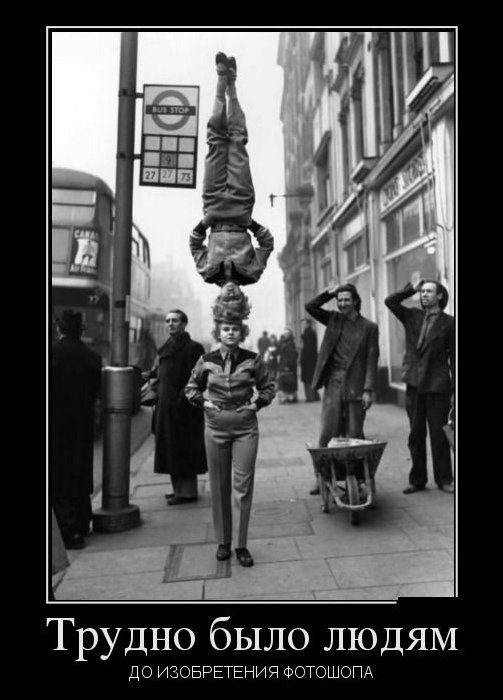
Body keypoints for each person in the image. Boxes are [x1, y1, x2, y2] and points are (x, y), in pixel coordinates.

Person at [185, 308, 275, 567]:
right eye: (226, 329)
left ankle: (241, 545)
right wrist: (205, 404)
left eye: (235, 329)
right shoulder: (206, 360)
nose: (231, 333)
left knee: (243, 487)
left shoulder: (253, 359)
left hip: (245, 428)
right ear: (218, 333)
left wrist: (255, 405)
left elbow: (268, 387)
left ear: (242, 332)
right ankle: (223, 542)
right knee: (219, 485)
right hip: (215, 427)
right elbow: (191, 388)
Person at [189, 52, 274, 286]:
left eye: (226, 299)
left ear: (220, 301)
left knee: (215, 142)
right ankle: (232, 84)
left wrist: (205, 223)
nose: (230, 294)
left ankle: (220, 81)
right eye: (234, 299)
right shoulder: (252, 274)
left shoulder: (207, 273)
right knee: (237, 141)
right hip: (241, 205)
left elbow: (194, 243)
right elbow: (267, 244)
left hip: (213, 207)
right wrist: (250, 223)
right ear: (240, 298)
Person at [305, 284, 379, 495]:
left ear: (355, 301)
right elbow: (310, 306)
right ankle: (322, 477)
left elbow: (372, 360)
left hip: (357, 386)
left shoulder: (369, 327)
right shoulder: (333, 319)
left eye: (346, 300)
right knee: (328, 433)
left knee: (356, 435)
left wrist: (368, 389)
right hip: (334, 384)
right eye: (340, 300)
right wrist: (330, 293)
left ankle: (359, 478)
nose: (342, 304)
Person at [385, 279, 454, 494]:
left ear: (440, 296)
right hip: (414, 383)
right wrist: (410, 290)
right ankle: (417, 480)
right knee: (415, 434)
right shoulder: (412, 316)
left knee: (439, 435)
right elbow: (390, 302)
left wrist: (455, 391)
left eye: (429, 291)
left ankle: (444, 479)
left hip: (437, 385)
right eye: (422, 291)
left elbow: (454, 358)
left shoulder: (450, 323)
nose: (424, 294)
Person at [51, 310, 102, 548]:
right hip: (83, 424)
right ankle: (83, 522)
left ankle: (69, 533)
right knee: (80, 473)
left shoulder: (53, 353)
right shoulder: (93, 357)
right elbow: (96, 392)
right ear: (81, 329)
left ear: (59, 328)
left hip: (56, 426)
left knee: (59, 478)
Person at [147, 310, 207, 505]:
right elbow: (160, 374)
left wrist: (181, 399)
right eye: (168, 321)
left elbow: (199, 378)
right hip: (166, 407)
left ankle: (187, 493)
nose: (170, 324)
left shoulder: (193, 348)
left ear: (183, 324)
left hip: (184, 409)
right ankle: (177, 490)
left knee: (185, 449)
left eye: (174, 320)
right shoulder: (166, 347)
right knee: (171, 450)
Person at [300, 318, 320, 402]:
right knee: (310, 378)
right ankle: (314, 396)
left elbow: (307, 348)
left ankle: (310, 397)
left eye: (304, 324)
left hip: (308, 361)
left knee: (308, 379)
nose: (303, 325)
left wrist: (303, 360)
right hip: (310, 360)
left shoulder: (308, 333)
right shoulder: (309, 332)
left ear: (308, 324)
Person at [277, 329, 298, 404]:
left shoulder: (289, 343)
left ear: (289, 335)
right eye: (284, 334)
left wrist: (287, 366)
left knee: (287, 382)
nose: (284, 335)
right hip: (286, 365)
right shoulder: (287, 342)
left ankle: (288, 398)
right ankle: (290, 397)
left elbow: (291, 356)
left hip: (287, 365)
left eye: (286, 334)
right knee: (288, 382)